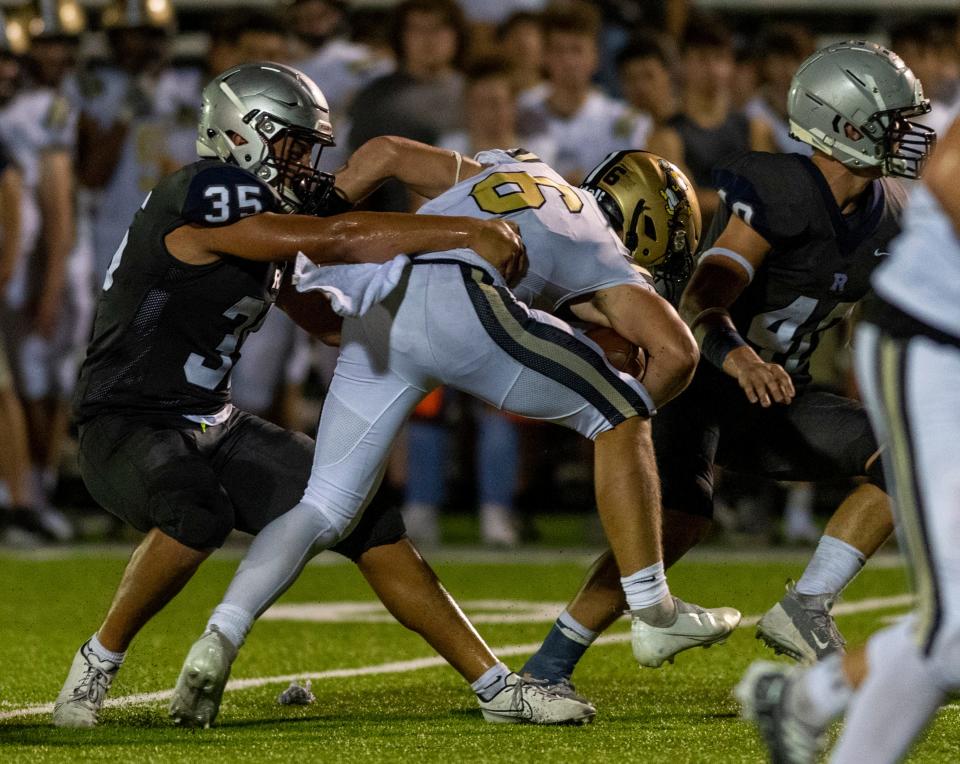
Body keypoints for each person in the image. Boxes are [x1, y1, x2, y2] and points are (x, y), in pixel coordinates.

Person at [50, 62, 570, 730]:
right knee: (195, 511)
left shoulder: (262, 219)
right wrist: (464, 232)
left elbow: (325, 323)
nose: (303, 163)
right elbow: (336, 238)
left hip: (213, 420)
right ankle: (96, 664)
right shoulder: (206, 191)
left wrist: (441, 313)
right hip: (123, 423)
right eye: (293, 144)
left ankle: (498, 688)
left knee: (365, 514)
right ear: (243, 134)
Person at [170, 139, 742, 725]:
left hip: (381, 300)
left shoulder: (522, 169)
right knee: (619, 413)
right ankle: (652, 611)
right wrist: (629, 424)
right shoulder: (603, 247)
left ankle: (219, 637)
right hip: (459, 296)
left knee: (323, 506)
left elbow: (387, 152)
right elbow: (677, 352)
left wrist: (328, 201)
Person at [518, 40, 936, 696]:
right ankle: (547, 669)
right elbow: (706, 293)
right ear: (843, 124)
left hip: (777, 395)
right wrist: (735, 351)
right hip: (701, 381)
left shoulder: (896, 212)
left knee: (907, 456)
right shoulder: (777, 189)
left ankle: (808, 607)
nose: (910, 135)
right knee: (672, 528)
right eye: (894, 120)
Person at [736, 112, 960, 764]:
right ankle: (810, 693)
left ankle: (807, 698)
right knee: (953, 635)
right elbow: (946, 173)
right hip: (937, 341)